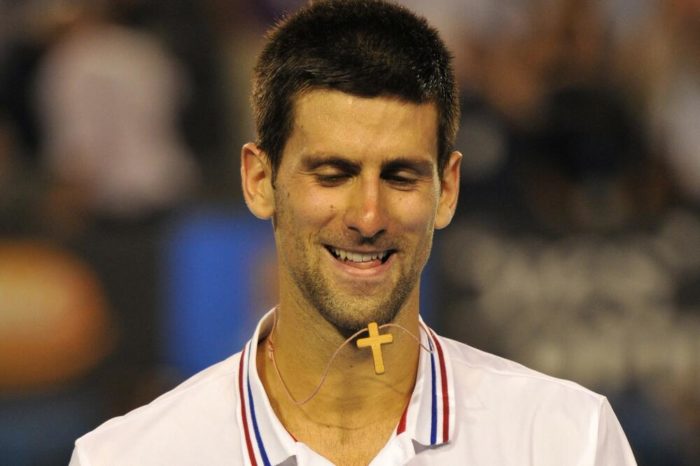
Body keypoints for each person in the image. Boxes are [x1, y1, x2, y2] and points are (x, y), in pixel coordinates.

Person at [69, 1, 637, 464]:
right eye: (333, 174)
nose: (368, 217)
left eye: (400, 176)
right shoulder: (125, 458)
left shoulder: (569, 441)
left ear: (448, 189)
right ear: (260, 181)